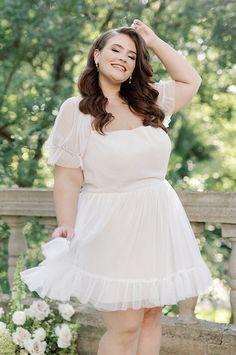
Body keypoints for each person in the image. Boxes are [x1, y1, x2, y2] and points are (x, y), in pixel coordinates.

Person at [21, 19, 213, 355]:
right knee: (124, 326)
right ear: (97, 55)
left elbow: (190, 80)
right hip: (111, 223)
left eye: (132, 55)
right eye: (115, 50)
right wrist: (66, 222)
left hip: (158, 218)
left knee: (152, 315)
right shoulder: (76, 110)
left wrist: (153, 41)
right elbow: (67, 177)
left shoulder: (150, 101)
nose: (124, 58)